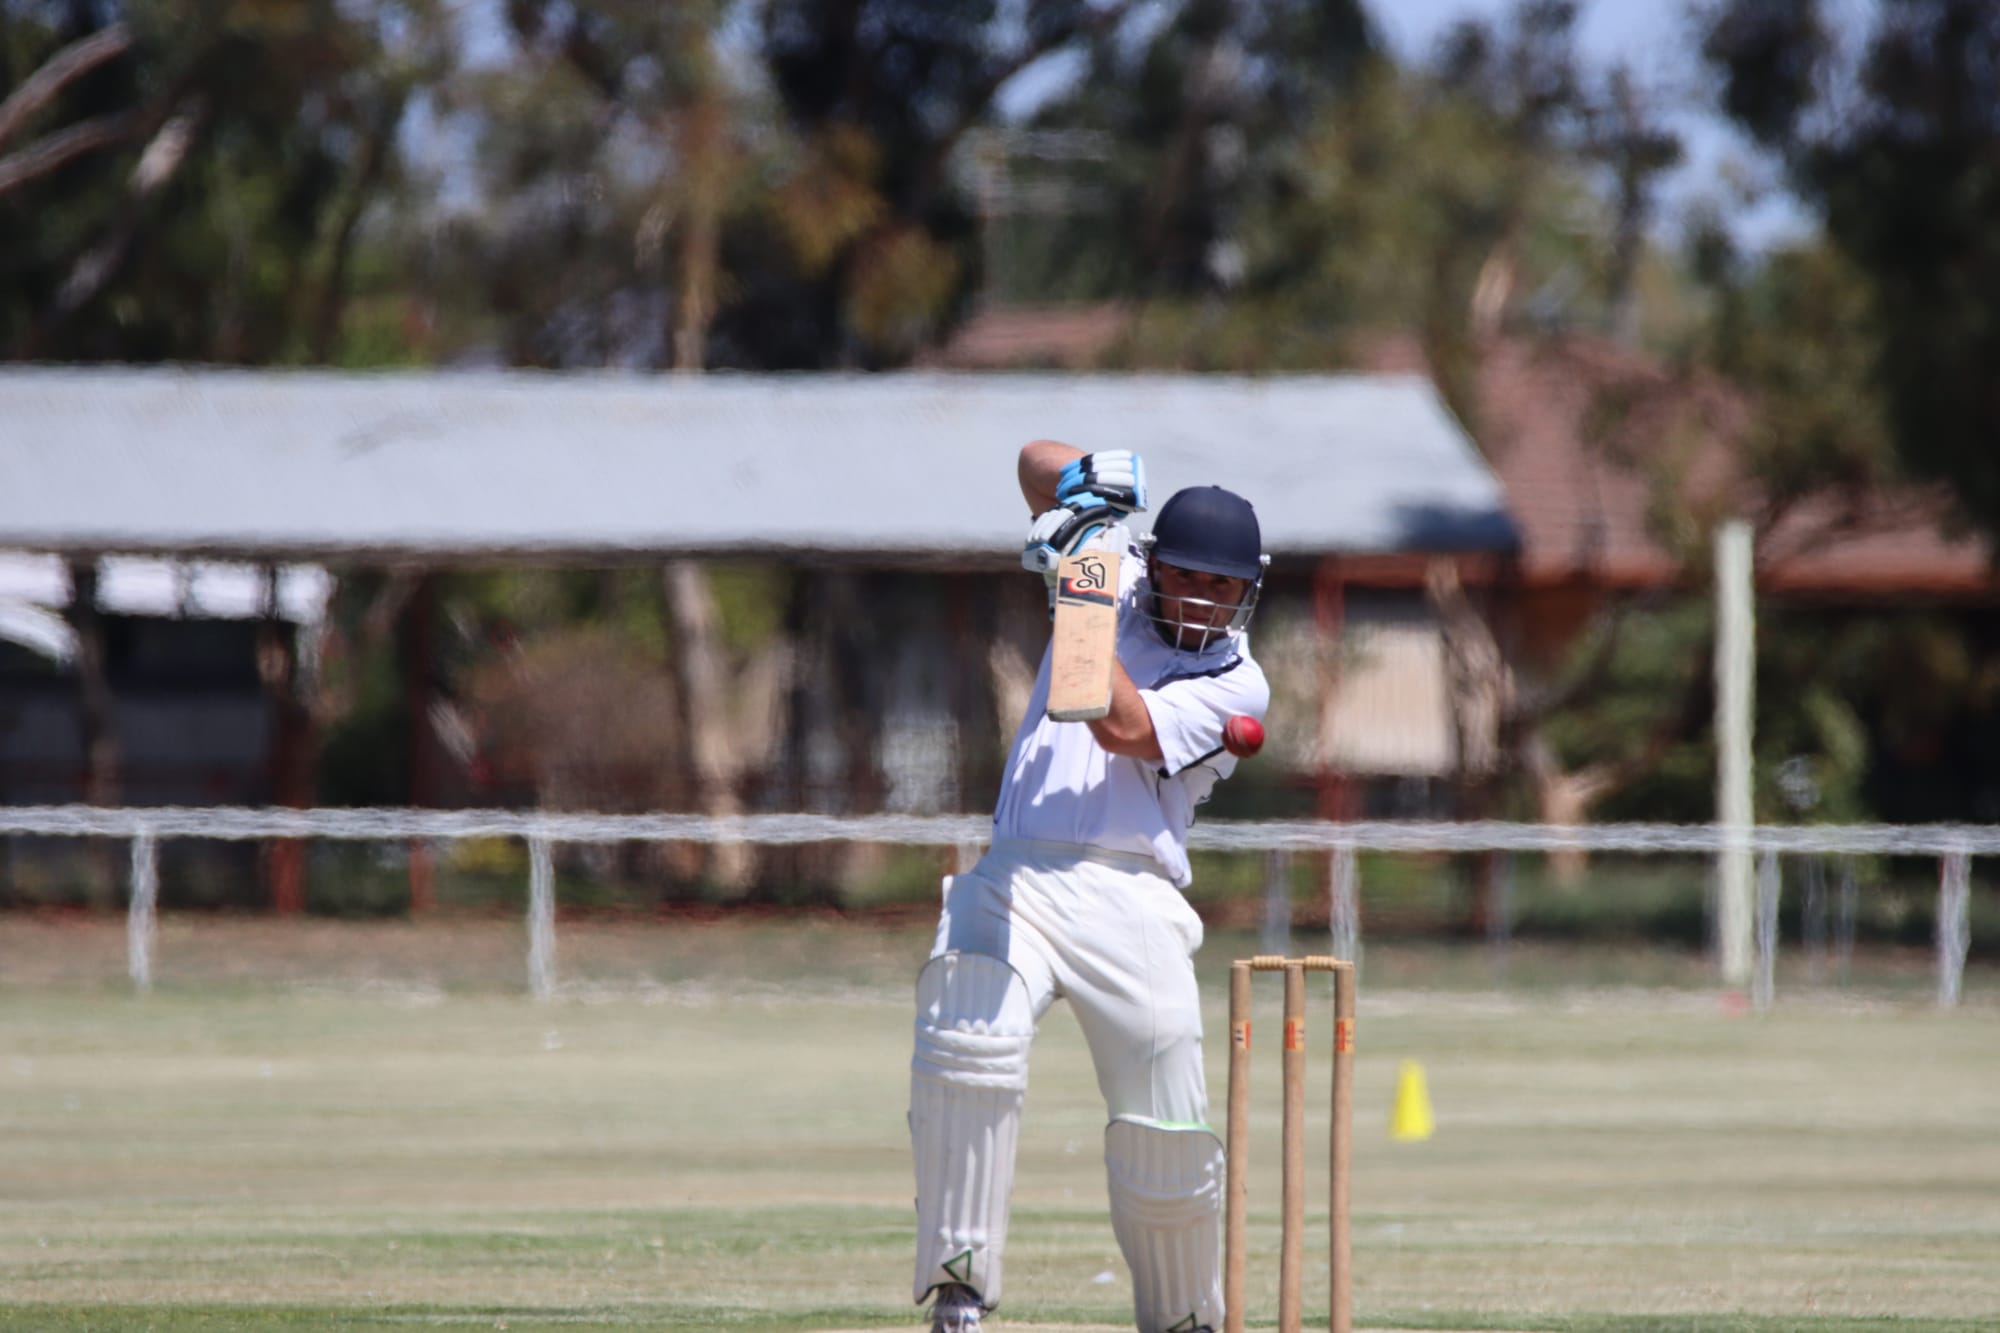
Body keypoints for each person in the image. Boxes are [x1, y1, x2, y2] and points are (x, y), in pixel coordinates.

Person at [909, 440, 1271, 1333]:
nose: (1198, 599)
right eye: (1184, 575)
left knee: (1166, 1131)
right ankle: (958, 1291)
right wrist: (1094, 498)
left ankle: (1185, 1318)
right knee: (966, 1030)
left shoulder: (1234, 679)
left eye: (1220, 587)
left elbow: (1111, 718)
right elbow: (1034, 460)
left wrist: (1079, 575)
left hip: (1133, 895)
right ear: (1158, 564)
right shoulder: (1117, 564)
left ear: (1246, 590)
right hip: (1017, 869)